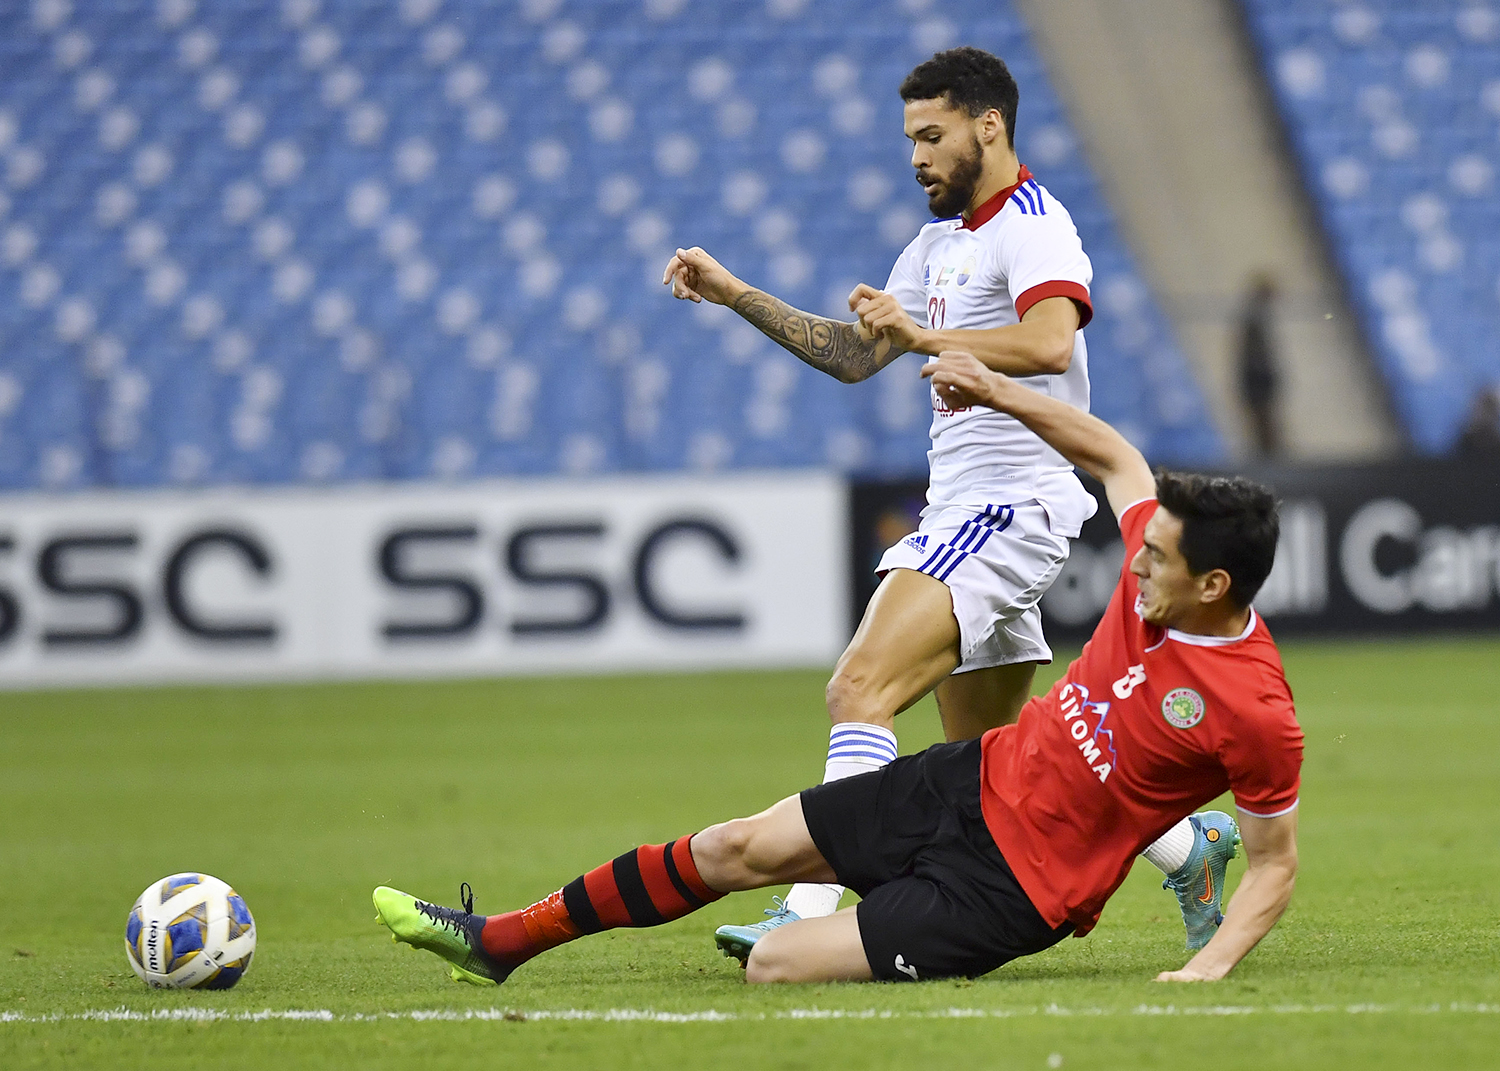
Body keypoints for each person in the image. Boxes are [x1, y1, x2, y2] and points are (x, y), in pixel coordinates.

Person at [373, 350, 1303, 986]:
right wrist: (996, 388)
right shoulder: (1159, 557)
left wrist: (1209, 966)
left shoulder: (1254, 710)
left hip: (1010, 891)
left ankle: (1154, 861)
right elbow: (1117, 456)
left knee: (776, 966)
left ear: (1214, 583)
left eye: (1159, 559)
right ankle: (503, 941)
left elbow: (1275, 864)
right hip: (964, 784)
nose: (1135, 559)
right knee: (732, 848)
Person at [661, 46, 1220, 951]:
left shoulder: (1035, 225)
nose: (916, 156)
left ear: (987, 125)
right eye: (910, 139)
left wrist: (924, 329)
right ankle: (1191, 847)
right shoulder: (939, 242)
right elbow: (856, 356)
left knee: (859, 689)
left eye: (932, 135)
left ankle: (812, 909)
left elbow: (1047, 343)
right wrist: (736, 296)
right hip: (970, 510)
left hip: (1005, 508)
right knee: (997, 765)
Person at [1238, 273, 1282, 458]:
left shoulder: (1257, 316)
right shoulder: (1255, 318)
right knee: (1263, 426)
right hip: (1257, 383)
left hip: (1257, 381)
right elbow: (1254, 355)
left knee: (1265, 426)